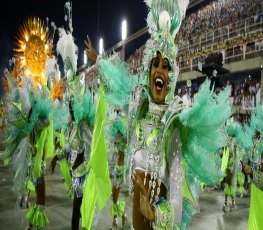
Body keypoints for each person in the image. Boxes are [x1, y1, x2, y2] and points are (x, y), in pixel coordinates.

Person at [98, 0, 232, 229]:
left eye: (166, 66)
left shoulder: (173, 123)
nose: (160, 69)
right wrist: (97, 61)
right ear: (148, 71)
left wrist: (156, 213)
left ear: (170, 77)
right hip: (136, 215)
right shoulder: (137, 109)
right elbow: (112, 84)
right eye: (156, 64)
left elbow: (176, 193)